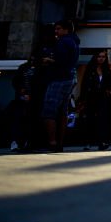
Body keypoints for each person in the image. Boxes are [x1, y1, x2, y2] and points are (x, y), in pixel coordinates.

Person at [40, 20, 80, 152]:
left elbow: (61, 61)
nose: (56, 31)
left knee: (49, 110)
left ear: (66, 29)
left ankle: (52, 142)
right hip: (69, 77)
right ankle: (59, 142)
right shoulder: (74, 41)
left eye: (58, 29)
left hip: (59, 78)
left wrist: (48, 60)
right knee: (63, 111)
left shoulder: (63, 42)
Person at [78, 50, 111, 151]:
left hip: (102, 98)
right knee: (90, 120)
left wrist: (109, 91)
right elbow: (84, 84)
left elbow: (110, 83)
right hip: (91, 97)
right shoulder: (90, 68)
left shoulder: (107, 70)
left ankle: (101, 142)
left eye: (103, 57)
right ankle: (88, 142)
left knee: (102, 120)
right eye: (99, 56)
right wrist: (82, 99)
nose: (101, 58)